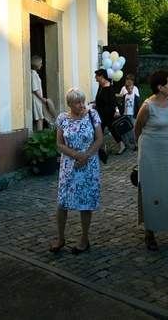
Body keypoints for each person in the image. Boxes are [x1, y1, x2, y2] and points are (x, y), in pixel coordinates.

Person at [134, 69, 168, 251]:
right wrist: (144, 148)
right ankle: (150, 233)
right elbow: (137, 129)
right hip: (150, 153)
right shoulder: (147, 106)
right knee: (151, 189)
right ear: (160, 87)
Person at [51, 88, 104, 255]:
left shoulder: (92, 115)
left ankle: (84, 239)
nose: (82, 105)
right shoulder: (62, 118)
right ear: (69, 104)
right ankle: (60, 238)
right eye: (77, 102)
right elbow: (59, 143)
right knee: (62, 201)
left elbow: (99, 139)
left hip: (89, 163)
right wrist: (75, 155)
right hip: (69, 164)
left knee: (86, 201)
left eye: (83, 101)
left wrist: (85, 157)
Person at [93, 69, 126, 154]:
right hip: (101, 113)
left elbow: (113, 101)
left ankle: (97, 148)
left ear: (101, 76)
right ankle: (120, 146)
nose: (95, 78)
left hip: (107, 113)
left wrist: (117, 111)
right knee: (109, 130)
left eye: (96, 76)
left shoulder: (109, 87)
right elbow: (100, 99)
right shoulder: (101, 86)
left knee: (101, 130)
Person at [117, 74, 140, 151]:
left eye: (131, 88)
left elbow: (137, 105)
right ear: (126, 89)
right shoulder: (125, 96)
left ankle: (136, 144)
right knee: (125, 130)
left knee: (133, 130)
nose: (130, 90)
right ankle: (126, 144)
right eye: (128, 89)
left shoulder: (135, 96)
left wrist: (137, 114)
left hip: (132, 114)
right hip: (125, 114)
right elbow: (122, 105)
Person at [31, 55, 49, 132]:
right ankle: (40, 135)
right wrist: (42, 99)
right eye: (40, 63)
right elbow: (35, 89)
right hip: (36, 99)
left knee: (37, 117)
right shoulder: (33, 73)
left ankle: (35, 135)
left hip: (37, 99)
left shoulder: (33, 73)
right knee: (40, 117)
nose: (41, 65)